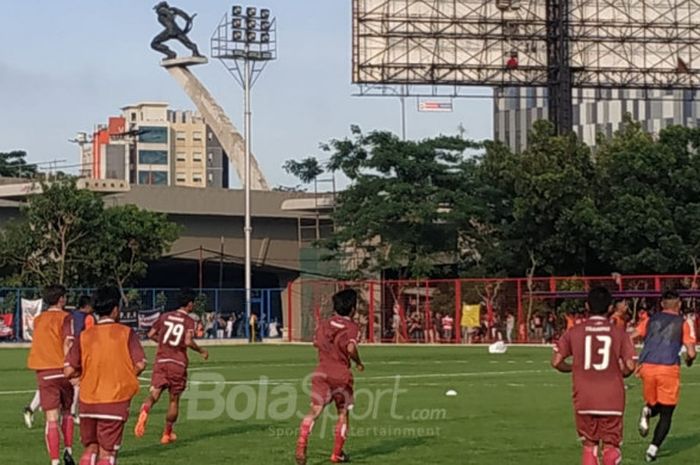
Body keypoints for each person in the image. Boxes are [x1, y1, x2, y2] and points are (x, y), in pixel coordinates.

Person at [551, 287, 636, 465]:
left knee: (589, 445)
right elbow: (629, 366)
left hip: (584, 397)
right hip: (612, 397)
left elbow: (556, 362)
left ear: (587, 306)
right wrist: (617, 372)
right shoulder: (620, 333)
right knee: (611, 447)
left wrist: (574, 368)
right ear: (611, 308)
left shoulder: (574, 331)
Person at [64, 286, 146, 465]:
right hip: (115, 400)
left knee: (90, 448)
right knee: (107, 453)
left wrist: (80, 378)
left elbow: (68, 370)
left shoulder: (84, 336)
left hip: (88, 401)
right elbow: (140, 364)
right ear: (116, 310)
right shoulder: (126, 333)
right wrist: (123, 377)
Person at [296, 289, 364, 465]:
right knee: (342, 413)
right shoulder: (352, 327)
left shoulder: (324, 324)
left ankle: (302, 443)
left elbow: (315, 343)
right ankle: (337, 454)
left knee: (315, 409)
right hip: (341, 374)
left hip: (321, 372)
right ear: (352, 309)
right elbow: (350, 348)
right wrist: (358, 361)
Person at [135, 289, 209, 444]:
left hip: (161, 361)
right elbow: (188, 341)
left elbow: (150, 334)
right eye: (193, 302)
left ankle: (145, 410)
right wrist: (201, 350)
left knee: (154, 395)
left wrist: (162, 342)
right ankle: (167, 434)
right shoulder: (189, 321)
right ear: (189, 304)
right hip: (178, 362)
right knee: (173, 401)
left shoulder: (164, 316)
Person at [632, 290, 696, 462]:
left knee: (655, 404)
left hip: (646, 367)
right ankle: (652, 450)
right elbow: (691, 352)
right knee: (667, 412)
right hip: (668, 368)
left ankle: (648, 410)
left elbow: (632, 336)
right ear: (679, 304)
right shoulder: (683, 323)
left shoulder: (650, 320)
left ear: (662, 304)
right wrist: (689, 361)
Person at [27, 284, 76, 465]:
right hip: (63, 370)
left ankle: (55, 461)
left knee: (51, 418)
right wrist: (71, 366)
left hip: (44, 371)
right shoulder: (66, 317)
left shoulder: (39, 319)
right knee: (68, 412)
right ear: (61, 299)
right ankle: (69, 450)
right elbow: (68, 343)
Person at [64, 295, 95, 425]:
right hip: (79, 351)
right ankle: (72, 411)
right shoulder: (85, 318)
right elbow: (85, 336)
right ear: (87, 306)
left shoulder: (72, 315)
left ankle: (34, 407)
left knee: (64, 382)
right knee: (77, 383)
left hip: (69, 349)